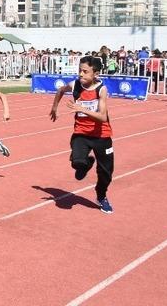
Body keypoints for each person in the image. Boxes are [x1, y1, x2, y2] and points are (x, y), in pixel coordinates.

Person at [49, 56, 115, 214]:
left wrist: (82, 109)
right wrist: (54, 108)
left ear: (96, 74)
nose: (81, 74)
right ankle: (86, 163)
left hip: (102, 135)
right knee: (77, 163)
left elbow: (103, 117)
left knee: (106, 173)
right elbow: (60, 90)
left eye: (85, 72)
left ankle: (101, 196)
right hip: (81, 133)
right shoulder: (75, 85)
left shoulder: (101, 90)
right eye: (80, 70)